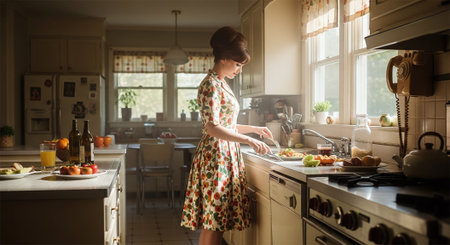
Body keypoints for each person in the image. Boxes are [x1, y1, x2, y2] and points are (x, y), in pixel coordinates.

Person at [180, 26, 273, 245]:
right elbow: (213, 128)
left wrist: (254, 130)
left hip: (224, 156)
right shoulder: (210, 85)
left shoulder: (222, 84)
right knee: (215, 222)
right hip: (215, 159)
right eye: (238, 64)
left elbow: (226, 124)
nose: (239, 70)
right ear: (224, 58)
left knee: (216, 222)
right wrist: (248, 140)